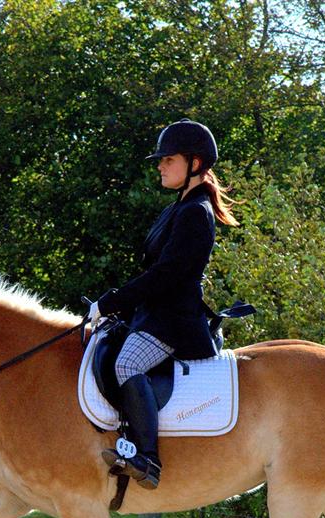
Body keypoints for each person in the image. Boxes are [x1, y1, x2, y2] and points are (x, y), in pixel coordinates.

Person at [88, 119, 239, 490]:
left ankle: (147, 459)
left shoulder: (195, 212)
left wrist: (113, 301)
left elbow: (166, 275)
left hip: (173, 321)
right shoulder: (179, 207)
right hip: (153, 315)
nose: (160, 165)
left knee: (128, 363)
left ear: (195, 163)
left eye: (168, 159)